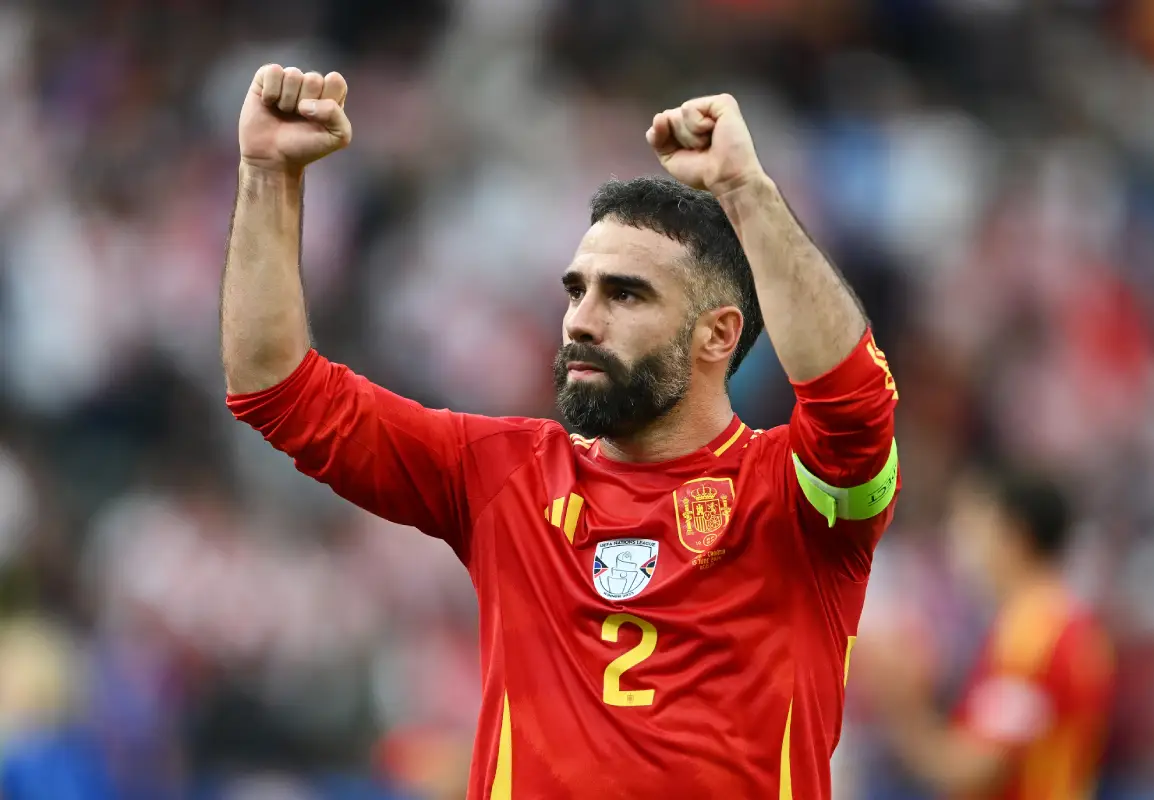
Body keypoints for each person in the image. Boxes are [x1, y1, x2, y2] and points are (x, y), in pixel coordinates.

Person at [221, 64, 899, 799]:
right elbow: (274, 388)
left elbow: (854, 405)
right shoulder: (501, 473)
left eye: (625, 294)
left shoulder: (796, 498)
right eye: (577, 289)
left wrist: (746, 193)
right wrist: (266, 174)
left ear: (717, 336)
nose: (581, 319)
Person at [858, 467, 1114, 799]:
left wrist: (898, 700)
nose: (959, 543)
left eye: (971, 525)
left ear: (1015, 535)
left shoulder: (1035, 636)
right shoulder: (1068, 624)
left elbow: (970, 769)